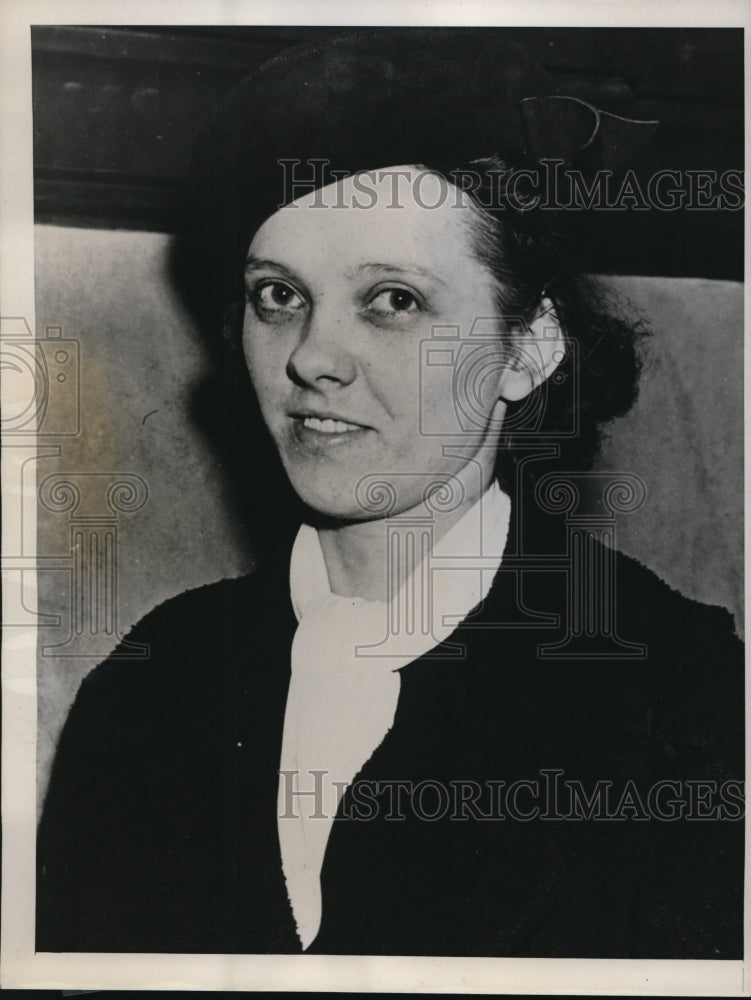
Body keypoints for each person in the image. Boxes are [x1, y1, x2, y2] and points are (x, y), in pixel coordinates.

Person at [36, 27, 743, 958]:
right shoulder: (152, 683)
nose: (312, 357)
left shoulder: (680, 699)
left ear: (525, 349)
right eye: (278, 296)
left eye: (394, 299)